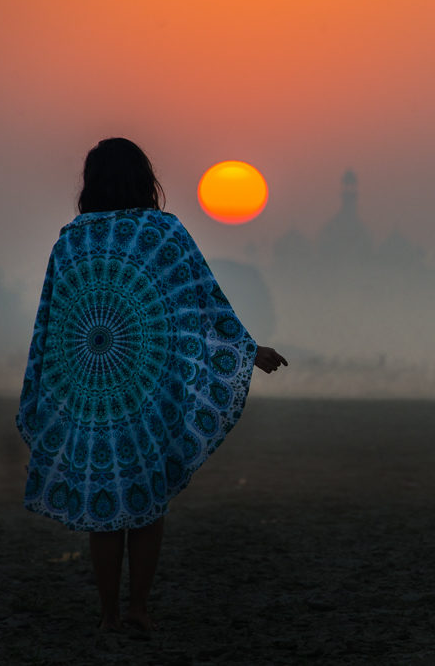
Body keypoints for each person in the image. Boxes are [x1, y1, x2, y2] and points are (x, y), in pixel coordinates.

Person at [15, 137, 287, 632]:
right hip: (148, 387)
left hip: (91, 389)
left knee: (103, 499)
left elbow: (52, 321)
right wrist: (249, 349)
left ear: (91, 182)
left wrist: (45, 387)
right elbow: (202, 302)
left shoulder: (72, 239)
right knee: (144, 500)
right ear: (145, 179)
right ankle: (138, 608)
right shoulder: (162, 232)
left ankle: (108, 613)